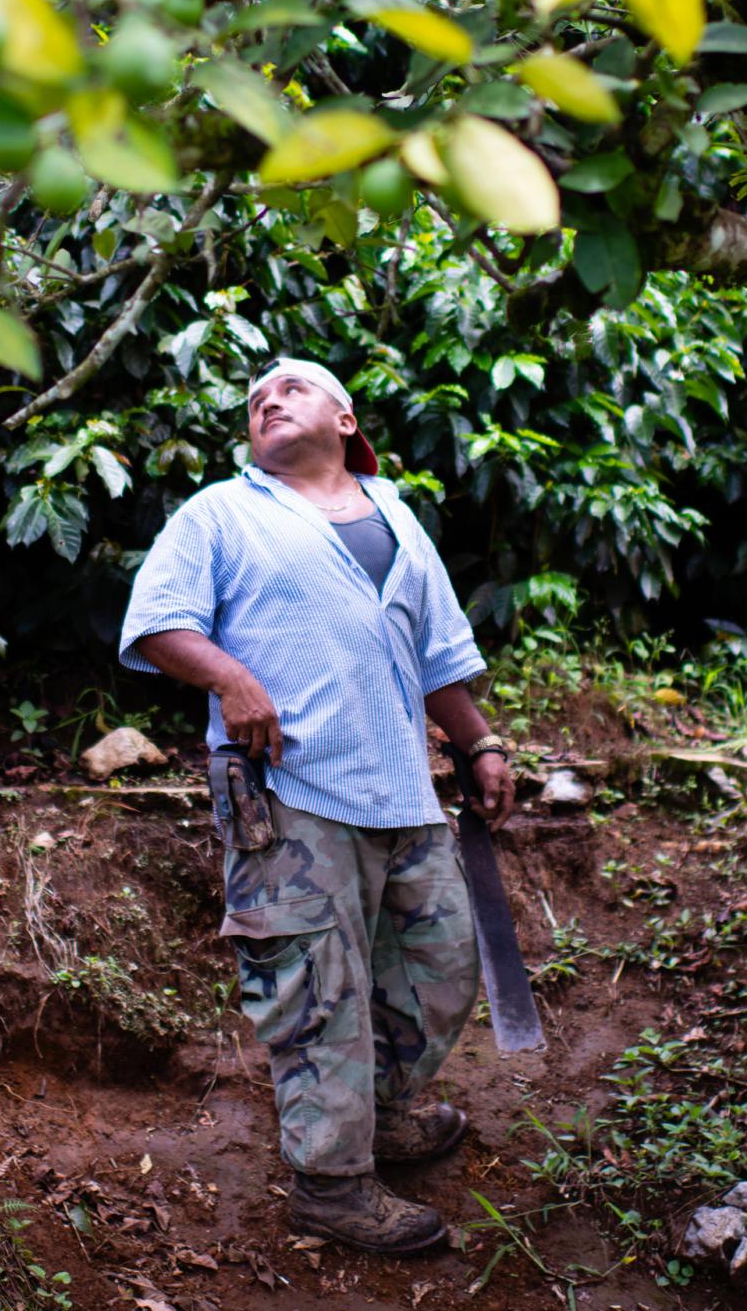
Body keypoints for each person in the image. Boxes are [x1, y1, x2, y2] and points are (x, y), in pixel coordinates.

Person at [118, 357, 516, 1255]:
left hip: (402, 788)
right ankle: (332, 1181)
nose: (267, 398)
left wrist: (479, 741)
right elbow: (154, 620)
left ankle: (378, 1114)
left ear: (344, 416)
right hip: (287, 790)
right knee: (315, 988)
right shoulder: (222, 511)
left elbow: (436, 656)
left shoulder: (400, 518)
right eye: (254, 396)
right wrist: (230, 676)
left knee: (442, 964)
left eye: (290, 387)